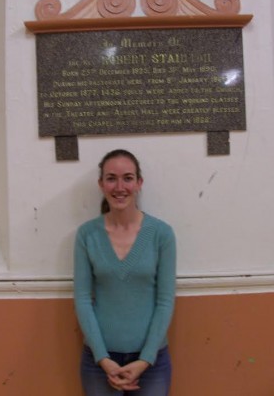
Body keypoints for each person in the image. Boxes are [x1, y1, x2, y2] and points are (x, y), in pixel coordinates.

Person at [73, 149, 176, 395]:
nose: (120, 187)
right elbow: (83, 299)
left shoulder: (161, 234)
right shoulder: (87, 235)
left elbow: (165, 301)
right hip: (99, 362)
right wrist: (103, 359)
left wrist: (145, 359)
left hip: (151, 362)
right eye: (111, 178)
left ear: (139, 183)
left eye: (128, 178)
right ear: (101, 184)